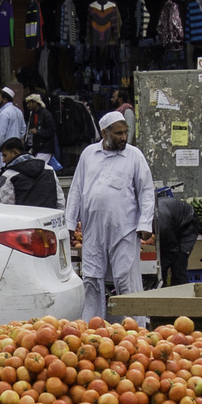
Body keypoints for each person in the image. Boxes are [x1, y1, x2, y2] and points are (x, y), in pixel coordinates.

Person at [65, 111, 155, 320]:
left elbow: (146, 191)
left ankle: (135, 329)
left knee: (125, 279)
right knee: (91, 278)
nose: (124, 137)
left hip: (124, 228)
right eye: (118, 133)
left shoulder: (134, 156)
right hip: (93, 230)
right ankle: (92, 327)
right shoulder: (89, 154)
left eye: (125, 132)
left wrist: (145, 223)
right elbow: (77, 189)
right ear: (104, 133)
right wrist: (69, 224)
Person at [0, 138, 64, 208]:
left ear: (15, 152)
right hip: (49, 217)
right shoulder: (49, 169)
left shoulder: (8, 175)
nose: (3, 160)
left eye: (5, 155)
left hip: (24, 218)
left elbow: (7, 207)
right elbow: (60, 201)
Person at [155, 189, 198, 288]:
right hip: (173, 222)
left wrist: (163, 266)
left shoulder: (161, 224)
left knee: (178, 265)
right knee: (162, 265)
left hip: (188, 224)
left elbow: (172, 249)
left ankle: (182, 298)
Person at [0, 87, 26, 179]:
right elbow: (23, 130)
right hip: (15, 150)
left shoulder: (4, 114)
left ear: (5, 100)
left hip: (4, 150)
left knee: (4, 175)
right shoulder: (18, 111)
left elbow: (0, 134)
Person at [24, 95, 58, 162]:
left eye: (29, 103)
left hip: (45, 148)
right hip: (36, 148)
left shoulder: (46, 114)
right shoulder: (32, 114)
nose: (27, 105)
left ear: (35, 103)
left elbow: (51, 130)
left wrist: (38, 132)